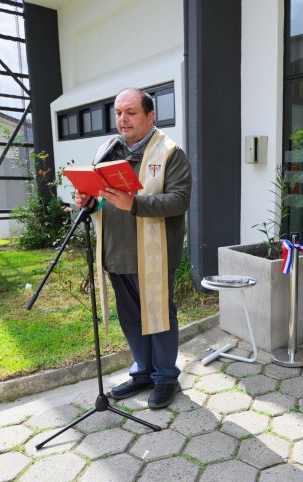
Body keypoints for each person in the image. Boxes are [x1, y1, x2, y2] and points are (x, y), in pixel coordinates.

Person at [75, 88, 191, 409]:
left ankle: (165, 377)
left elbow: (179, 200)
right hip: (116, 251)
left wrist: (134, 203)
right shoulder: (108, 151)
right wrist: (87, 200)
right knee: (130, 317)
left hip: (153, 254)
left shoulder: (171, 153)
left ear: (150, 116)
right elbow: (100, 196)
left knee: (159, 316)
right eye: (118, 113)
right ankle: (143, 372)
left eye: (131, 112)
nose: (122, 119)